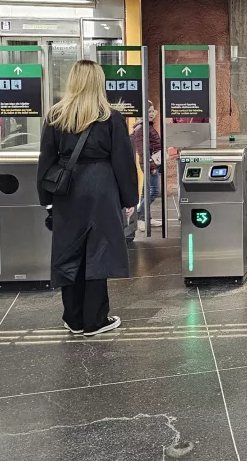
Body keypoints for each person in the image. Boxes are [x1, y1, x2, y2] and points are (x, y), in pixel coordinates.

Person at [36, 60, 139, 338]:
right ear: (98, 82)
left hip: (67, 192)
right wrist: (130, 198)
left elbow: (45, 160)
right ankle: (95, 319)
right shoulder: (111, 117)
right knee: (99, 251)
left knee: (69, 252)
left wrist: (46, 198)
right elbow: (123, 162)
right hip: (102, 191)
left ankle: (73, 318)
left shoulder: (55, 116)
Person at [130, 100, 162, 236]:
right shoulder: (141, 128)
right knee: (154, 191)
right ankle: (139, 215)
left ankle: (145, 217)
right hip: (150, 164)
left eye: (152, 111)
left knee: (146, 191)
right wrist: (151, 166)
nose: (151, 114)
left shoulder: (147, 126)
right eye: (148, 111)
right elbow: (142, 150)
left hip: (153, 162)